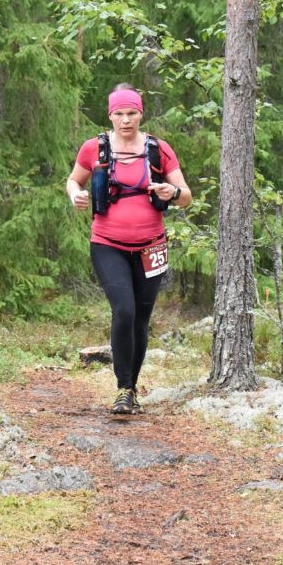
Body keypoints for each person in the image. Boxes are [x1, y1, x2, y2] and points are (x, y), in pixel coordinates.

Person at [66, 84, 192, 414]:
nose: (125, 120)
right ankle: (123, 388)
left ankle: (131, 389)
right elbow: (74, 180)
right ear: (110, 115)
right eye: (119, 113)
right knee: (124, 310)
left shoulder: (158, 150)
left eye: (132, 113)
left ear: (141, 114)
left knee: (140, 320)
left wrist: (172, 193)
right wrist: (75, 195)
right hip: (107, 244)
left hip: (152, 247)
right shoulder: (94, 148)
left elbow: (186, 196)